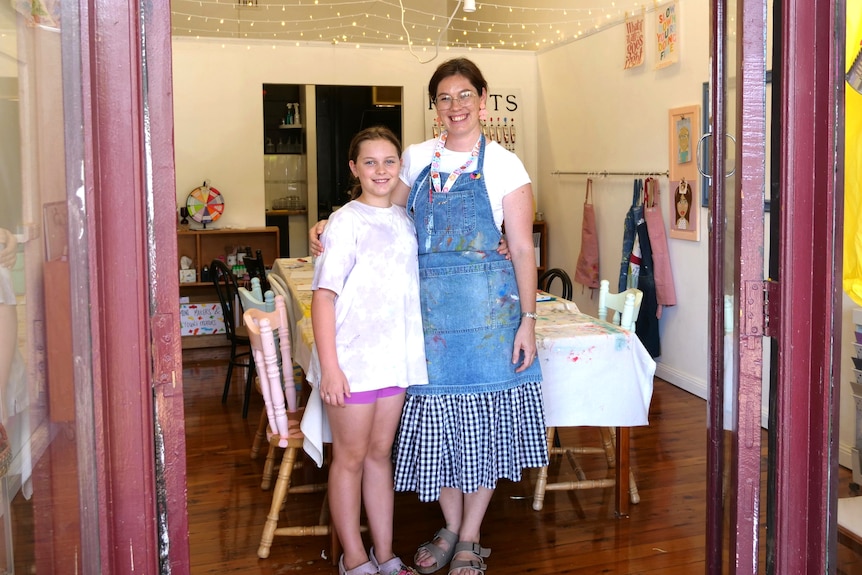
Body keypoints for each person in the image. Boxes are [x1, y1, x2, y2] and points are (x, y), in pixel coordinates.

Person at [311, 58, 547, 575]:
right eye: (444, 98)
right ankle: (447, 524)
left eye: (465, 95)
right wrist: (332, 222)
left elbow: (524, 250)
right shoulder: (417, 157)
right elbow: (380, 204)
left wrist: (528, 319)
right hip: (426, 326)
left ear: (483, 100)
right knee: (439, 429)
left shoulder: (507, 165)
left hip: (490, 318)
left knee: (484, 429)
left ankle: (468, 534)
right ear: (434, 106)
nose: (456, 106)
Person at [310, 126, 427, 575]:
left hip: (393, 359)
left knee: (380, 456)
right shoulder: (345, 222)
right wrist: (331, 369)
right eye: (371, 162)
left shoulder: (405, 218)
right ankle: (353, 558)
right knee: (351, 458)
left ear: (400, 167)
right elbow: (324, 296)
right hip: (353, 361)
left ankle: (385, 552)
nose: (381, 170)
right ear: (353, 168)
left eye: (390, 161)